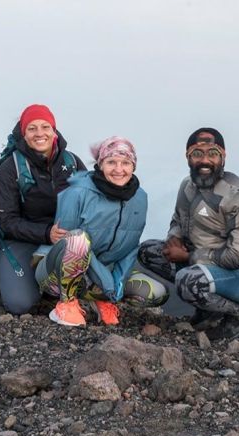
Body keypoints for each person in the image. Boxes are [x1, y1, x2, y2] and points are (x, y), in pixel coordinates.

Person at [138, 127, 239, 341]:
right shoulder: (188, 186)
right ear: (188, 157)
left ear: (223, 157)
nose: (205, 160)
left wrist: (188, 256)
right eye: (197, 154)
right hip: (206, 263)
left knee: (187, 280)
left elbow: (238, 257)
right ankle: (210, 310)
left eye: (213, 154)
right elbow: (178, 219)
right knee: (148, 252)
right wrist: (174, 238)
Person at [35, 136, 167, 326]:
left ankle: (102, 301)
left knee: (157, 293)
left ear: (133, 166)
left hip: (103, 274)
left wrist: (117, 286)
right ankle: (66, 304)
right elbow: (67, 242)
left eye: (125, 163)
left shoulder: (140, 198)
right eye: (111, 162)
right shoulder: (76, 192)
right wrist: (107, 283)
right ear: (100, 164)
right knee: (78, 240)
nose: (119, 169)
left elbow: (131, 247)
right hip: (56, 272)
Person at [0, 104, 85, 314]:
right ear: (23, 134)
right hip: (21, 240)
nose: (39, 133)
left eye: (45, 127)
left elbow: (89, 203)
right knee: (20, 304)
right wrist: (46, 233)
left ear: (54, 130)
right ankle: (44, 286)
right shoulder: (10, 168)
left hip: (64, 237)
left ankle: (58, 289)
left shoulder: (72, 162)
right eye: (32, 128)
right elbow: (6, 221)